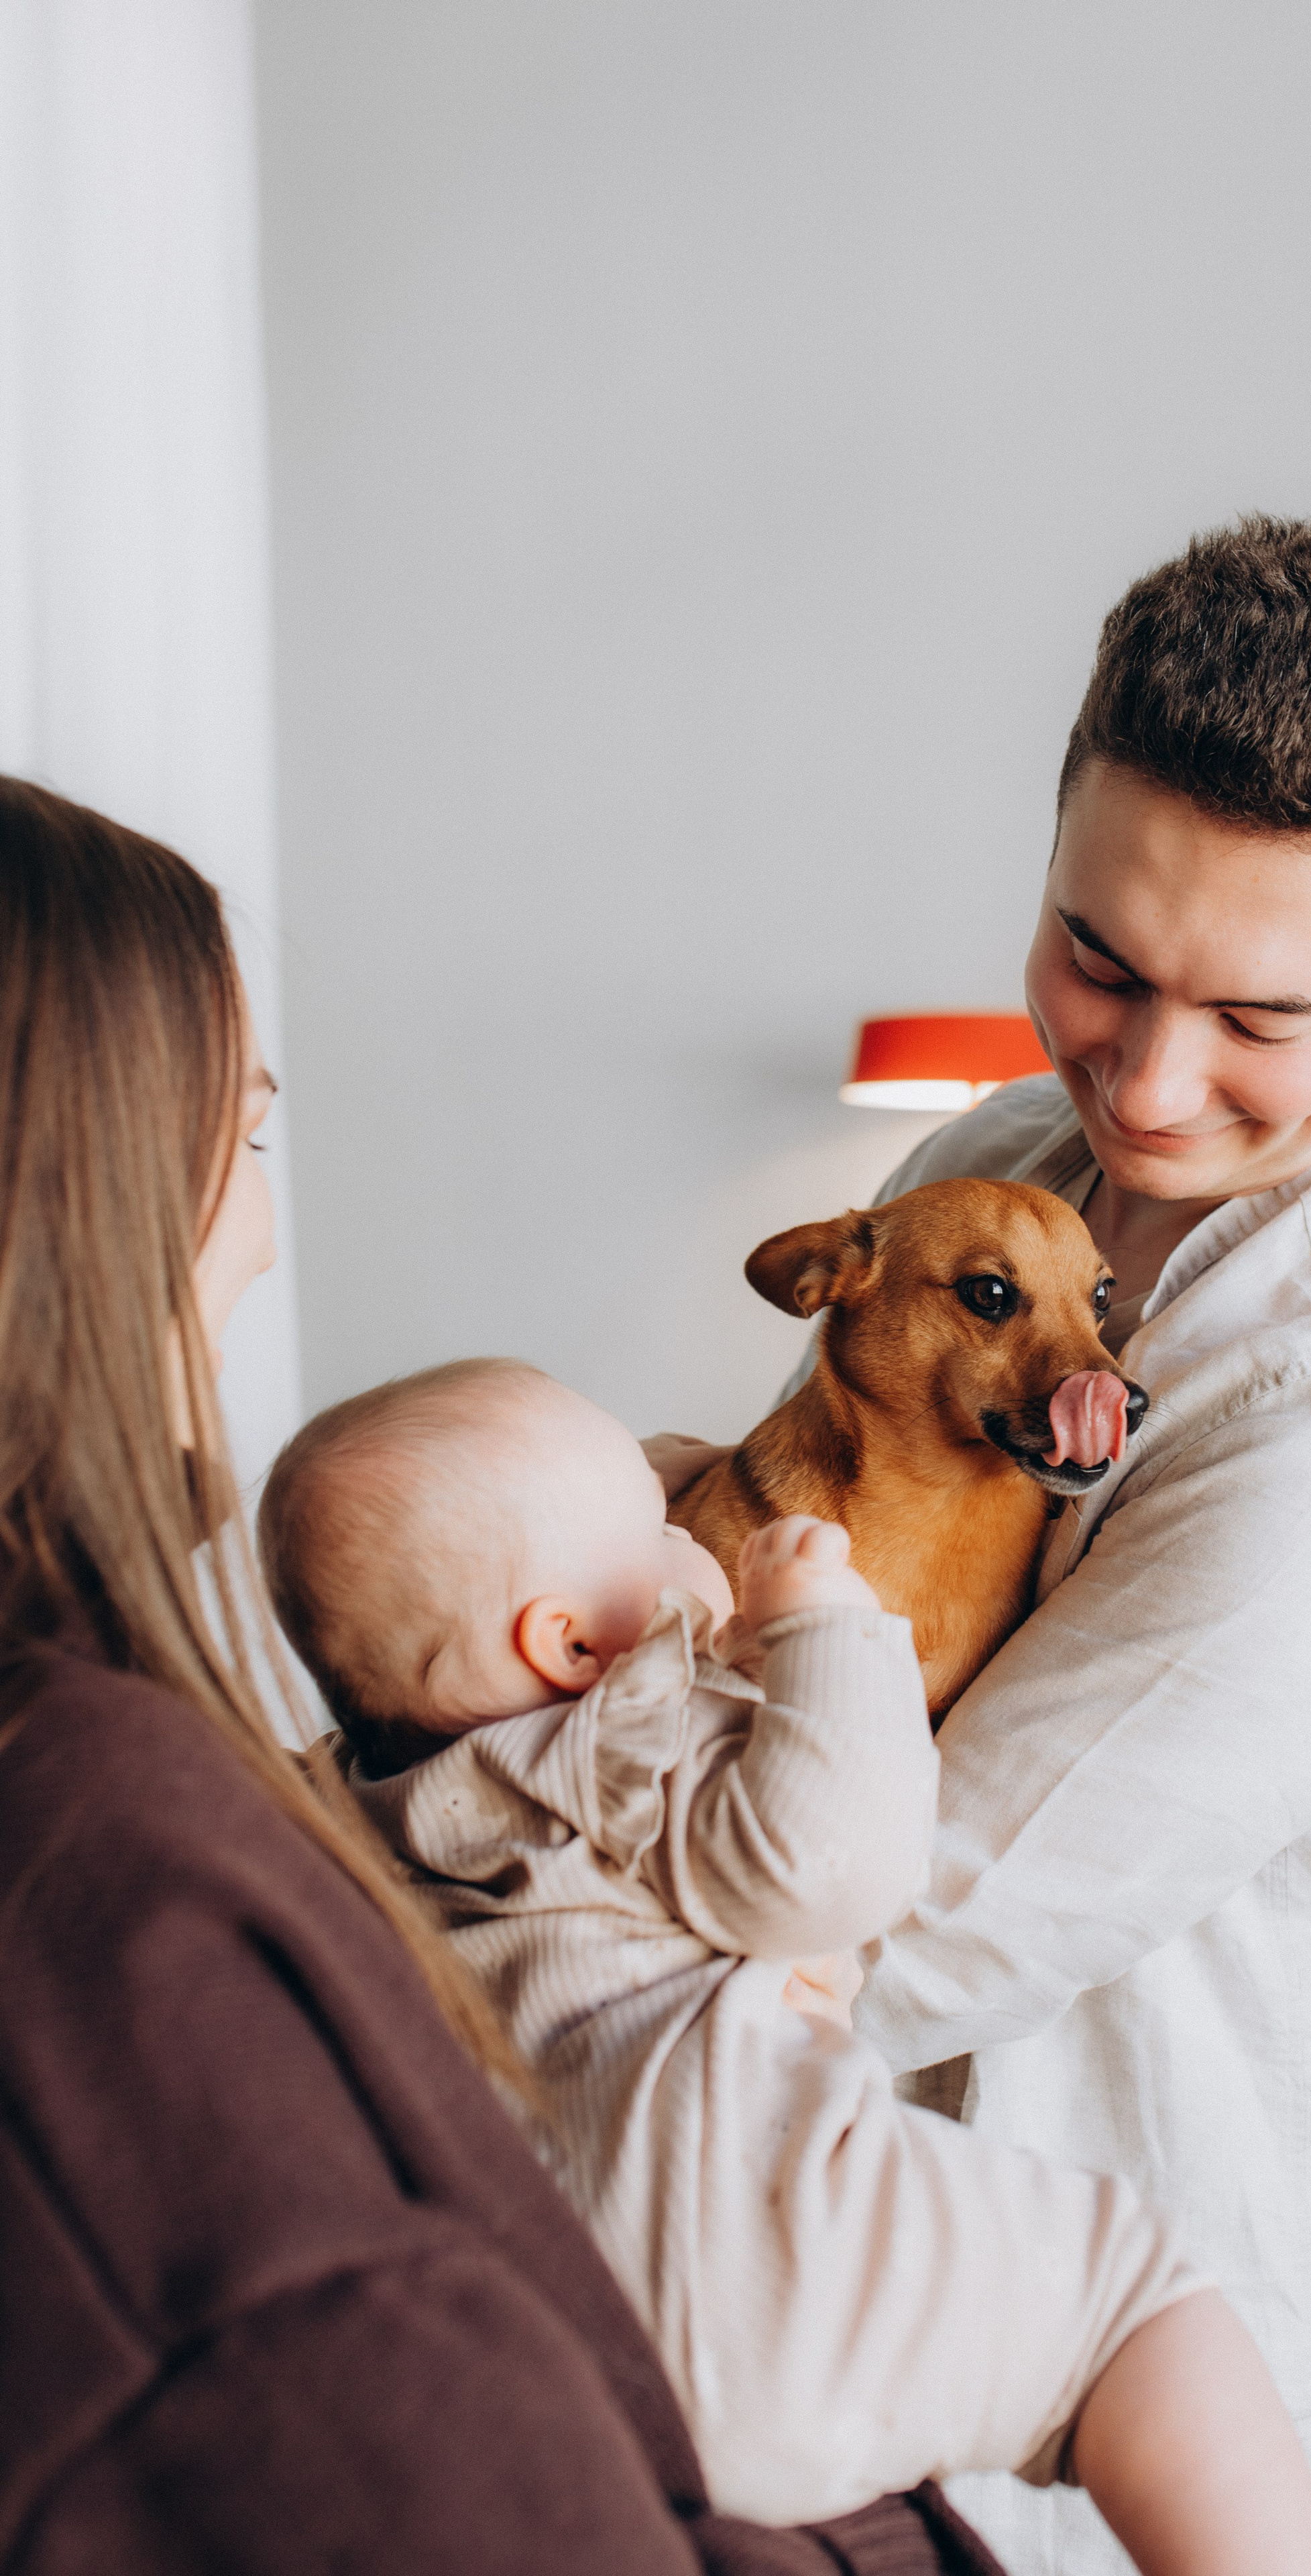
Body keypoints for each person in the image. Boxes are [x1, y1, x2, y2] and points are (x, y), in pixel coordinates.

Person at [0, 775, 1002, 2576]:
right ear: (94, 1187)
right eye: (246, 1133)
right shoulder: (109, 1855)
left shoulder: (210, 1787)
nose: (264, 1226)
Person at [658, 516, 1311, 2575]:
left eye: (1262, 1019)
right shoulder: (991, 1163)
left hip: (1122, 2391)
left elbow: (920, 1918)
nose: (1147, 1082)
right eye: (1100, 962)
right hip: (851, 2239)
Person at [255, 1356, 1311, 2572]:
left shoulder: (340, 1815)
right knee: (1129, 2301)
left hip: (546, 2347)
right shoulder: (628, 1742)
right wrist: (833, 1633)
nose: (684, 1529)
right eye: (646, 1526)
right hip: (753, 2264)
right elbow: (839, 1864)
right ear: (567, 1647)